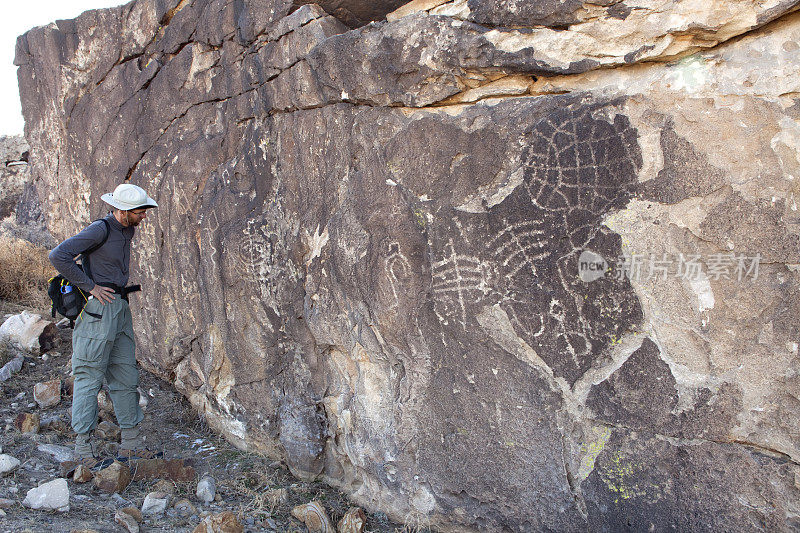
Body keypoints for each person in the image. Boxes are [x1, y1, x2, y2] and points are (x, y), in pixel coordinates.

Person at [49, 183, 162, 469]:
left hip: (120, 308)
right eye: (141, 211)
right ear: (124, 211)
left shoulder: (128, 229)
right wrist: (90, 286)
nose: (144, 216)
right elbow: (58, 256)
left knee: (125, 376)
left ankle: (131, 445)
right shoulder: (100, 229)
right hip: (98, 311)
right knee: (88, 377)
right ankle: (83, 450)